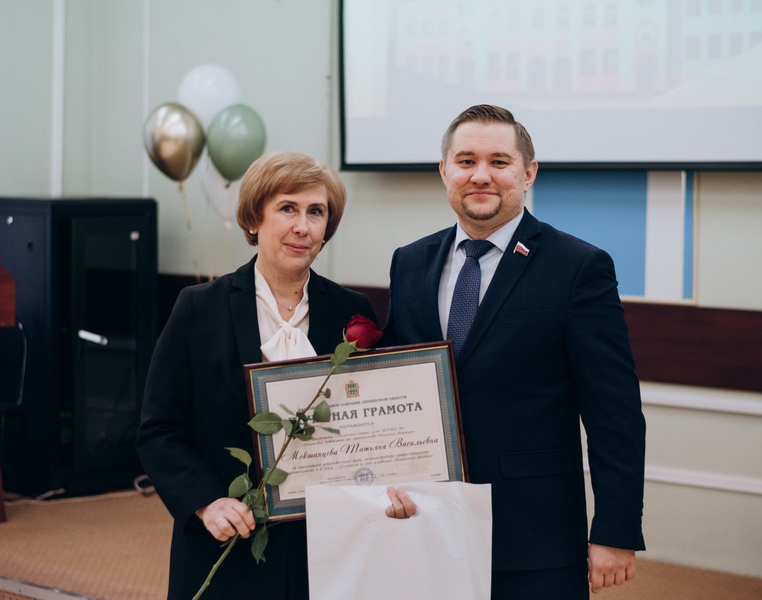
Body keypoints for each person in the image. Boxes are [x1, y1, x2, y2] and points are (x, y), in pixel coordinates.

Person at [382, 105, 646, 598]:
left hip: (534, 533)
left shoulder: (579, 267)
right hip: (423, 520)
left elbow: (615, 413)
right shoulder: (409, 262)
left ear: (528, 175)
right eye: (465, 161)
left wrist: (615, 529)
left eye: (499, 162)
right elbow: (396, 382)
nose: (480, 175)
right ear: (444, 171)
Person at [136, 151, 414, 600]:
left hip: (328, 548)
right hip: (228, 540)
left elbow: (374, 425)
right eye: (287, 208)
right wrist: (207, 502)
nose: (302, 226)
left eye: (316, 212)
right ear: (253, 218)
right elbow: (158, 429)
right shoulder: (198, 309)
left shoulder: (352, 312)